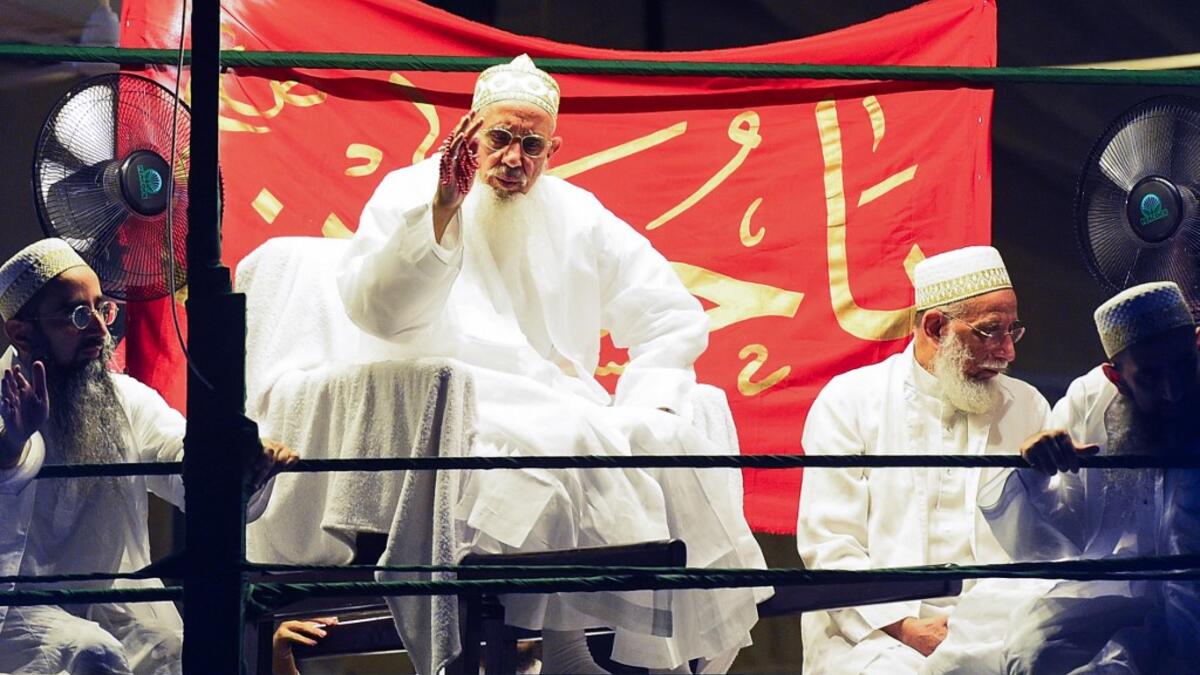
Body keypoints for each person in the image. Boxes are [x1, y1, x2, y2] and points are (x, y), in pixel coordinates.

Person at [336, 54, 766, 674]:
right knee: (565, 440)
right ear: (469, 132)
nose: (514, 158)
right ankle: (561, 648)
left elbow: (669, 313)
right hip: (451, 393)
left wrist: (647, 399)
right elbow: (378, 311)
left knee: (662, 436)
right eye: (500, 138)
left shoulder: (577, 212)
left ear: (553, 150)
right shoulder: (413, 190)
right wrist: (443, 209)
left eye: (532, 145)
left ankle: (628, 651)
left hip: (559, 398)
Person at [0, 238, 297, 674]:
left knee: (174, 653)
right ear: (21, 333)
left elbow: (183, 460)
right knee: (92, 653)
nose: (100, 331)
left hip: (108, 600)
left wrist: (242, 460)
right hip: (15, 606)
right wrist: (12, 445)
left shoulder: (122, 398)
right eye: (78, 315)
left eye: (103, 310)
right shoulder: (5, 405)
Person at [796, 245, 1052, 674]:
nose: (1008, 351)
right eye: (991, 331)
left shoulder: (1027, 406)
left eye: (1013, 331)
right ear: (936, 327)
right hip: (872, 633)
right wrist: (905, 628)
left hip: (997, 629)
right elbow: (830, 545)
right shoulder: (850, 401)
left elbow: (1046, 543)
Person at [979, 280, 1200, 673]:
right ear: (1116, 378)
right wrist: (1036, 469)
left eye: (1184, 366)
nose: (1173, 391)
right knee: (1032, 656)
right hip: (1117, 593)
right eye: (1150, 377)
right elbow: (1064, 535)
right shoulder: (1089, 400)